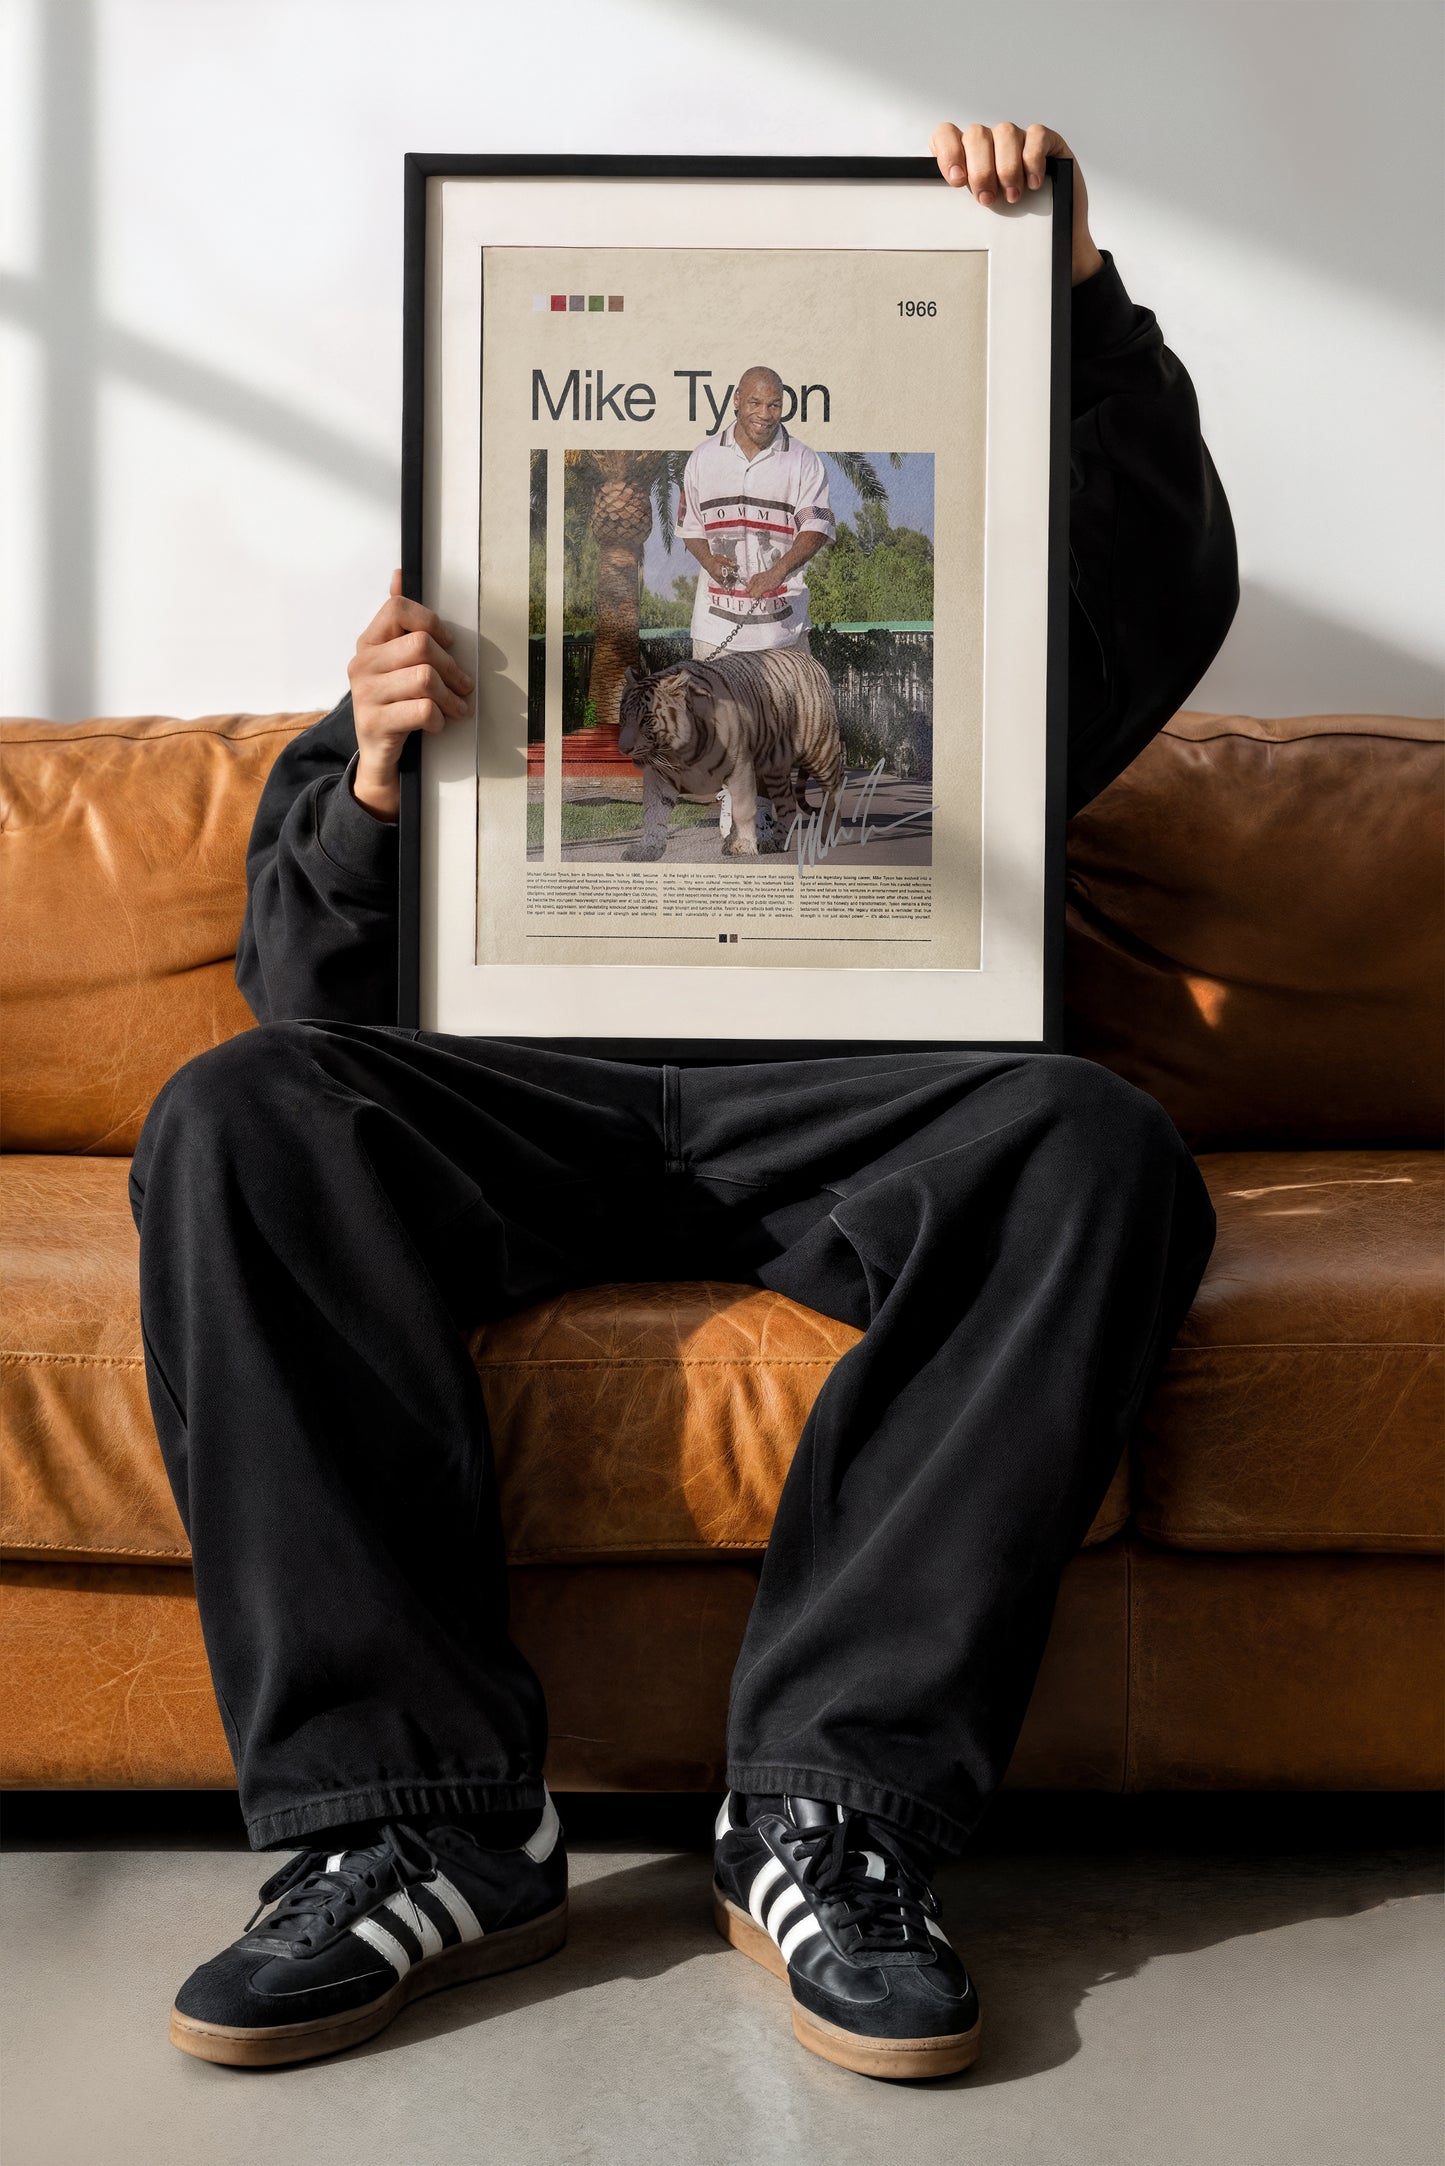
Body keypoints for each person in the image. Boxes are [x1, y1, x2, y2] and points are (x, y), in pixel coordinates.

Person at [135, 121, 1237, 2078]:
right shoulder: (464, 606)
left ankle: (828, 1819)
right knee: (235, 1118)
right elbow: (300, 999)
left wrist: (1067, 284)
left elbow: (1161, 575)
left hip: (852, 1075)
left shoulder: (958, 632)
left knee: (1094, 1149)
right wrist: (379, 785)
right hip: (529, 1089)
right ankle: (424, 1827)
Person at [677, 365, 834, 658]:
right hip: (714, 630)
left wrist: (778, 571)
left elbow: (816, 529)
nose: (765, 414)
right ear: (737, 400)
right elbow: (690, 528)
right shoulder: (702, 457)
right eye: (755, 403)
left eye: (774, 405)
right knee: (714, 707)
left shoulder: (803, 459)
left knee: (794, 707)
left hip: (785, 630)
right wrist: (710, 562)